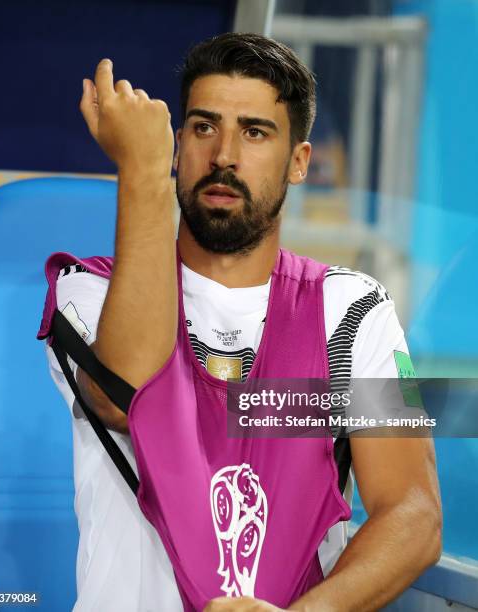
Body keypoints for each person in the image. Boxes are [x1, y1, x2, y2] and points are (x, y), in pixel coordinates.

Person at [39, 33, 442, 611]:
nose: (224, 154)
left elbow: (414, 512)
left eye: (255, 132)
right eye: (203, 127)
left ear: (299, 162)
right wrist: (144, 174)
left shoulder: (356, 311)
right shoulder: (86, 290)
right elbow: (128, 397)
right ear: (176, 147)